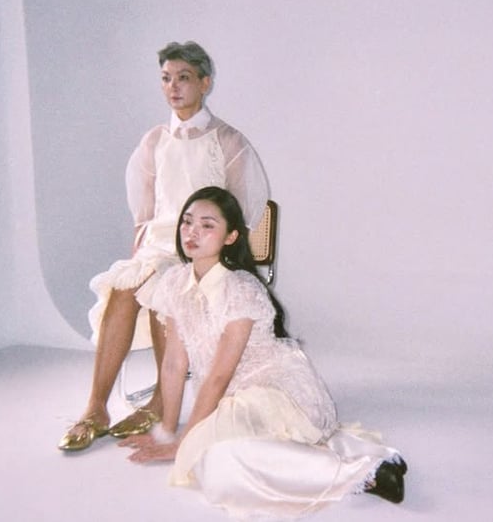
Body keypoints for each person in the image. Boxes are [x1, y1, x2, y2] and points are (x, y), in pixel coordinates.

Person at [118, 187, 407, 518]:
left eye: (207, 225)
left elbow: (219, 376)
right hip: (232, 401)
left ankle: (365, 473)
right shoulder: (174, 282)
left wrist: (185, 442)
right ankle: (369, 461)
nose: (192, 232)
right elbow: (173, 363)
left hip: (277, 393)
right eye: (187, 222)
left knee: (212, 462)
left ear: (231, 237)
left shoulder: (240, 288)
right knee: (208, 456)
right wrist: (167, 432)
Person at [58, 41, 270, 451]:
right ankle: (95, 407)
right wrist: (140, 257)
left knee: (163, 288)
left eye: (184, 78)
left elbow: (239, 212)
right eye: (166, 78)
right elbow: (146, 210)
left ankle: (160, 400)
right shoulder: (154, 140)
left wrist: (212, 252)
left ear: (205, 83)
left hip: (202, 249)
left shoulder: (226, 140)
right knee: (124, 286)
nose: (173, 87)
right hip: (160, 246)